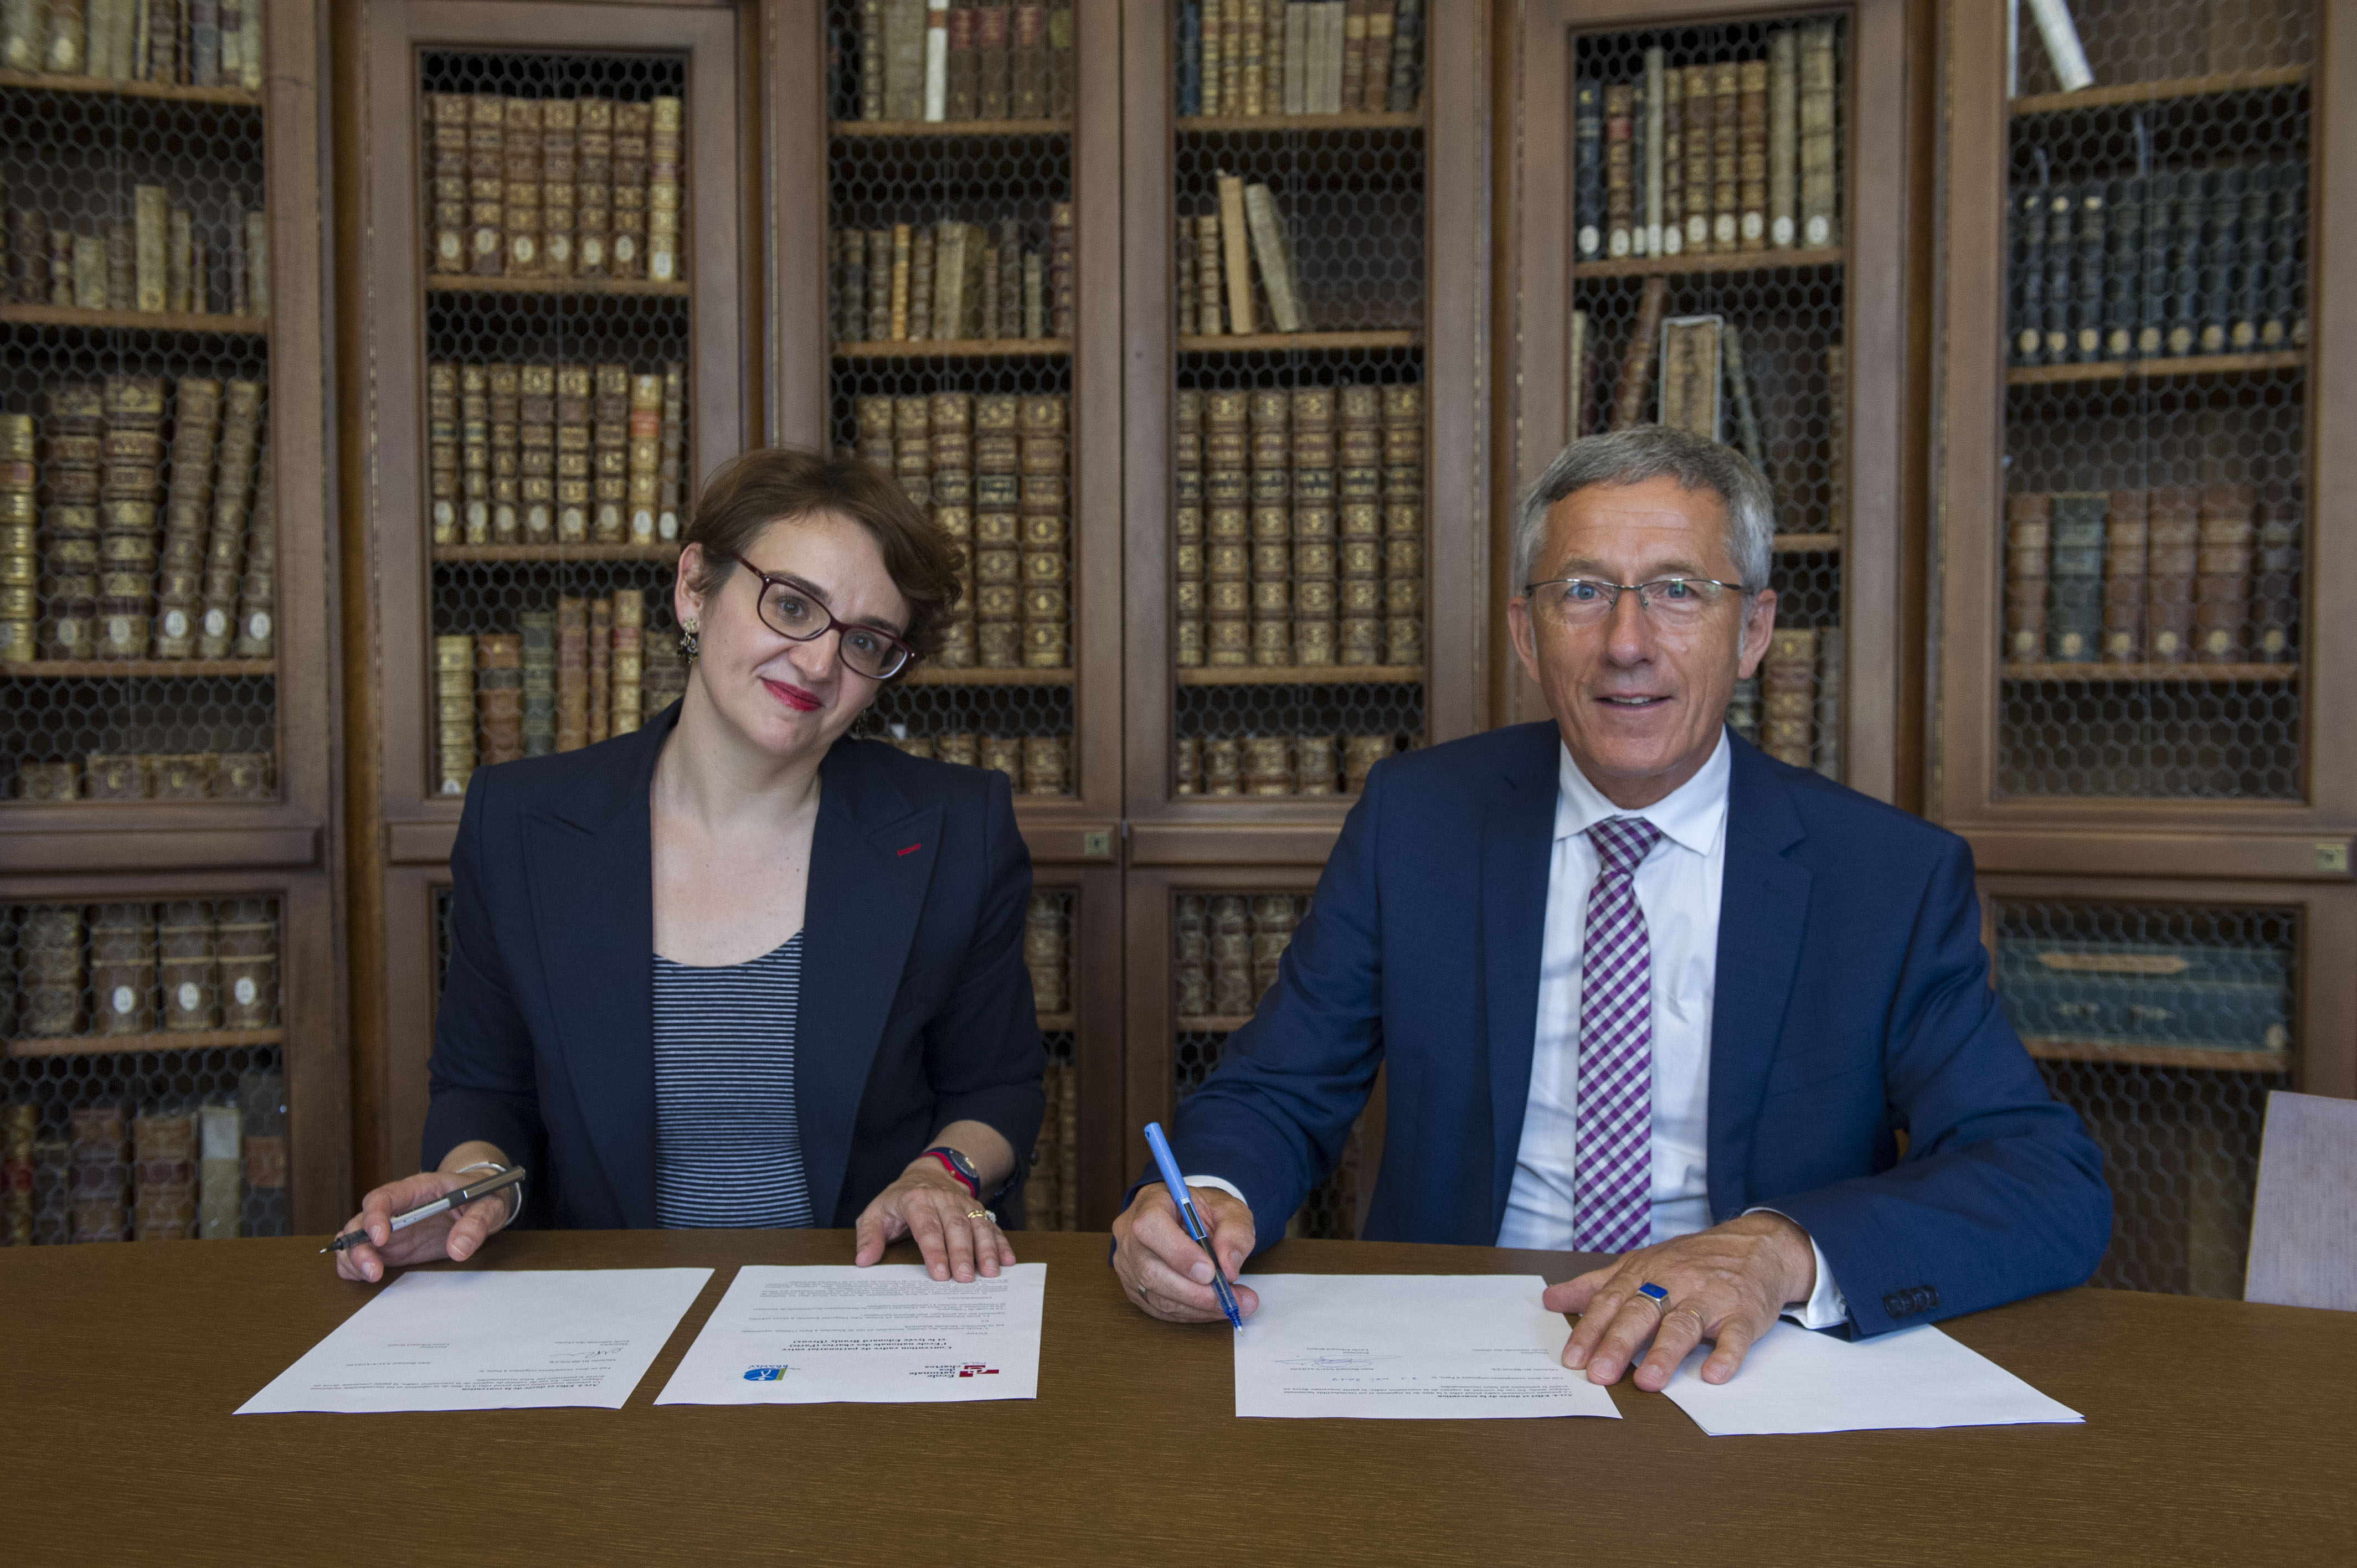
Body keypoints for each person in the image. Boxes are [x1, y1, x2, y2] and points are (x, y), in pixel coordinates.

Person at [1113, 426, 2111, 1389]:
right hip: (1463, 1350)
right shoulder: (1416, 821)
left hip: (1745, 1363)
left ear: (1754, 630)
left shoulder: (1884, 875)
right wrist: (1208, 1198)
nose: (1627, 644)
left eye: (1679, 591)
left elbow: (2042, 1180)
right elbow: (1276, 1092)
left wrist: (1779, 1253)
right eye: (1584, 592)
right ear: (1526, 632)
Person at [335, 448, 1045, 1287]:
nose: (819, 664)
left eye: (865, 642)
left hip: (860, 1304)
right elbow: (486, 1090)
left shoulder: (958, 828)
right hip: (614, 1317)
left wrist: (941, 1176)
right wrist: (469, 1187)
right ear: (694, 589)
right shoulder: (523, 825)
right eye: (790, 605)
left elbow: (997, 1088)